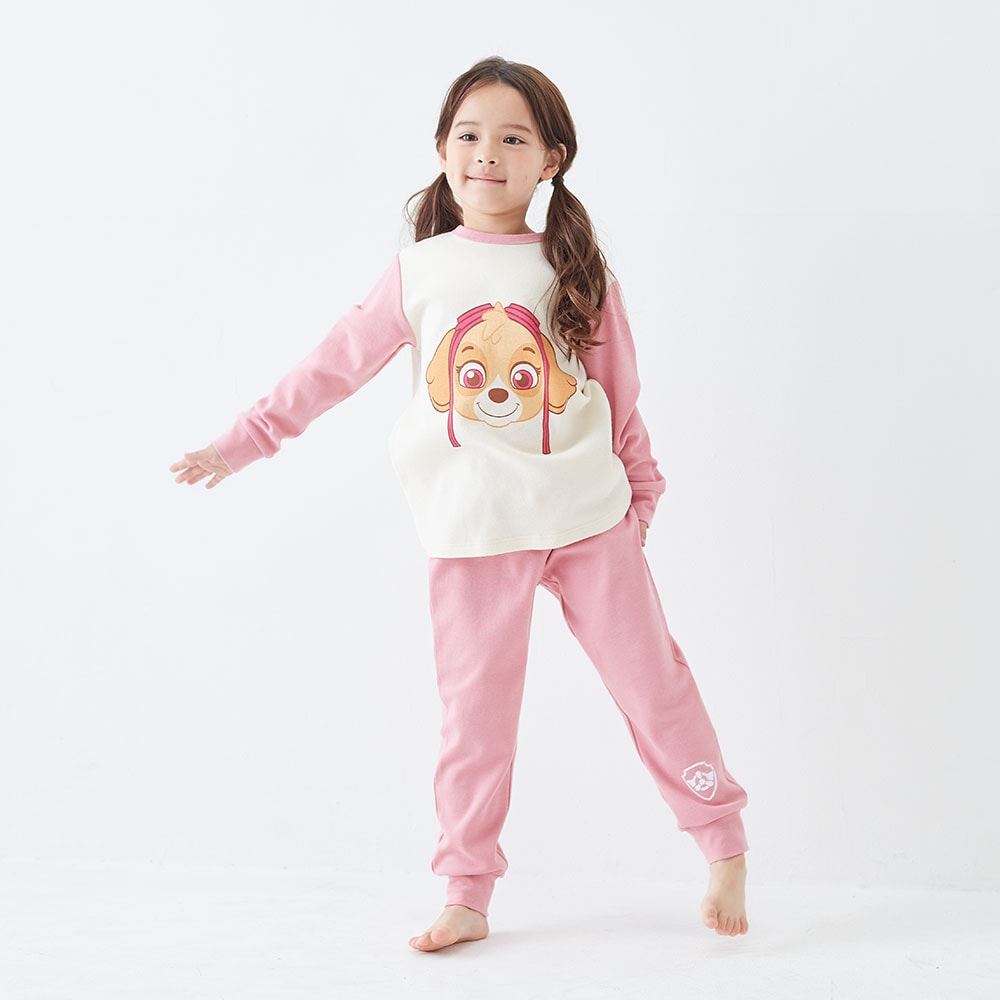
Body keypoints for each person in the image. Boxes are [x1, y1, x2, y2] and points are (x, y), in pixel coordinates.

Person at [170, 56, 750, 951]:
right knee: (475, 721)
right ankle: (467, 892)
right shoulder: (418, 272)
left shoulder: (575, 268)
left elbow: (619, 393)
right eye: (470, 135)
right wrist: (241, 442)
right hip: (473, 530)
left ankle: (722, 841)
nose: (488, 153)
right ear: (441, 149)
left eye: (513, 138)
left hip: (589, 521)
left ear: (551, 159)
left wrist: (641, 496)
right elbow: (330, 368)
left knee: (654, 685)